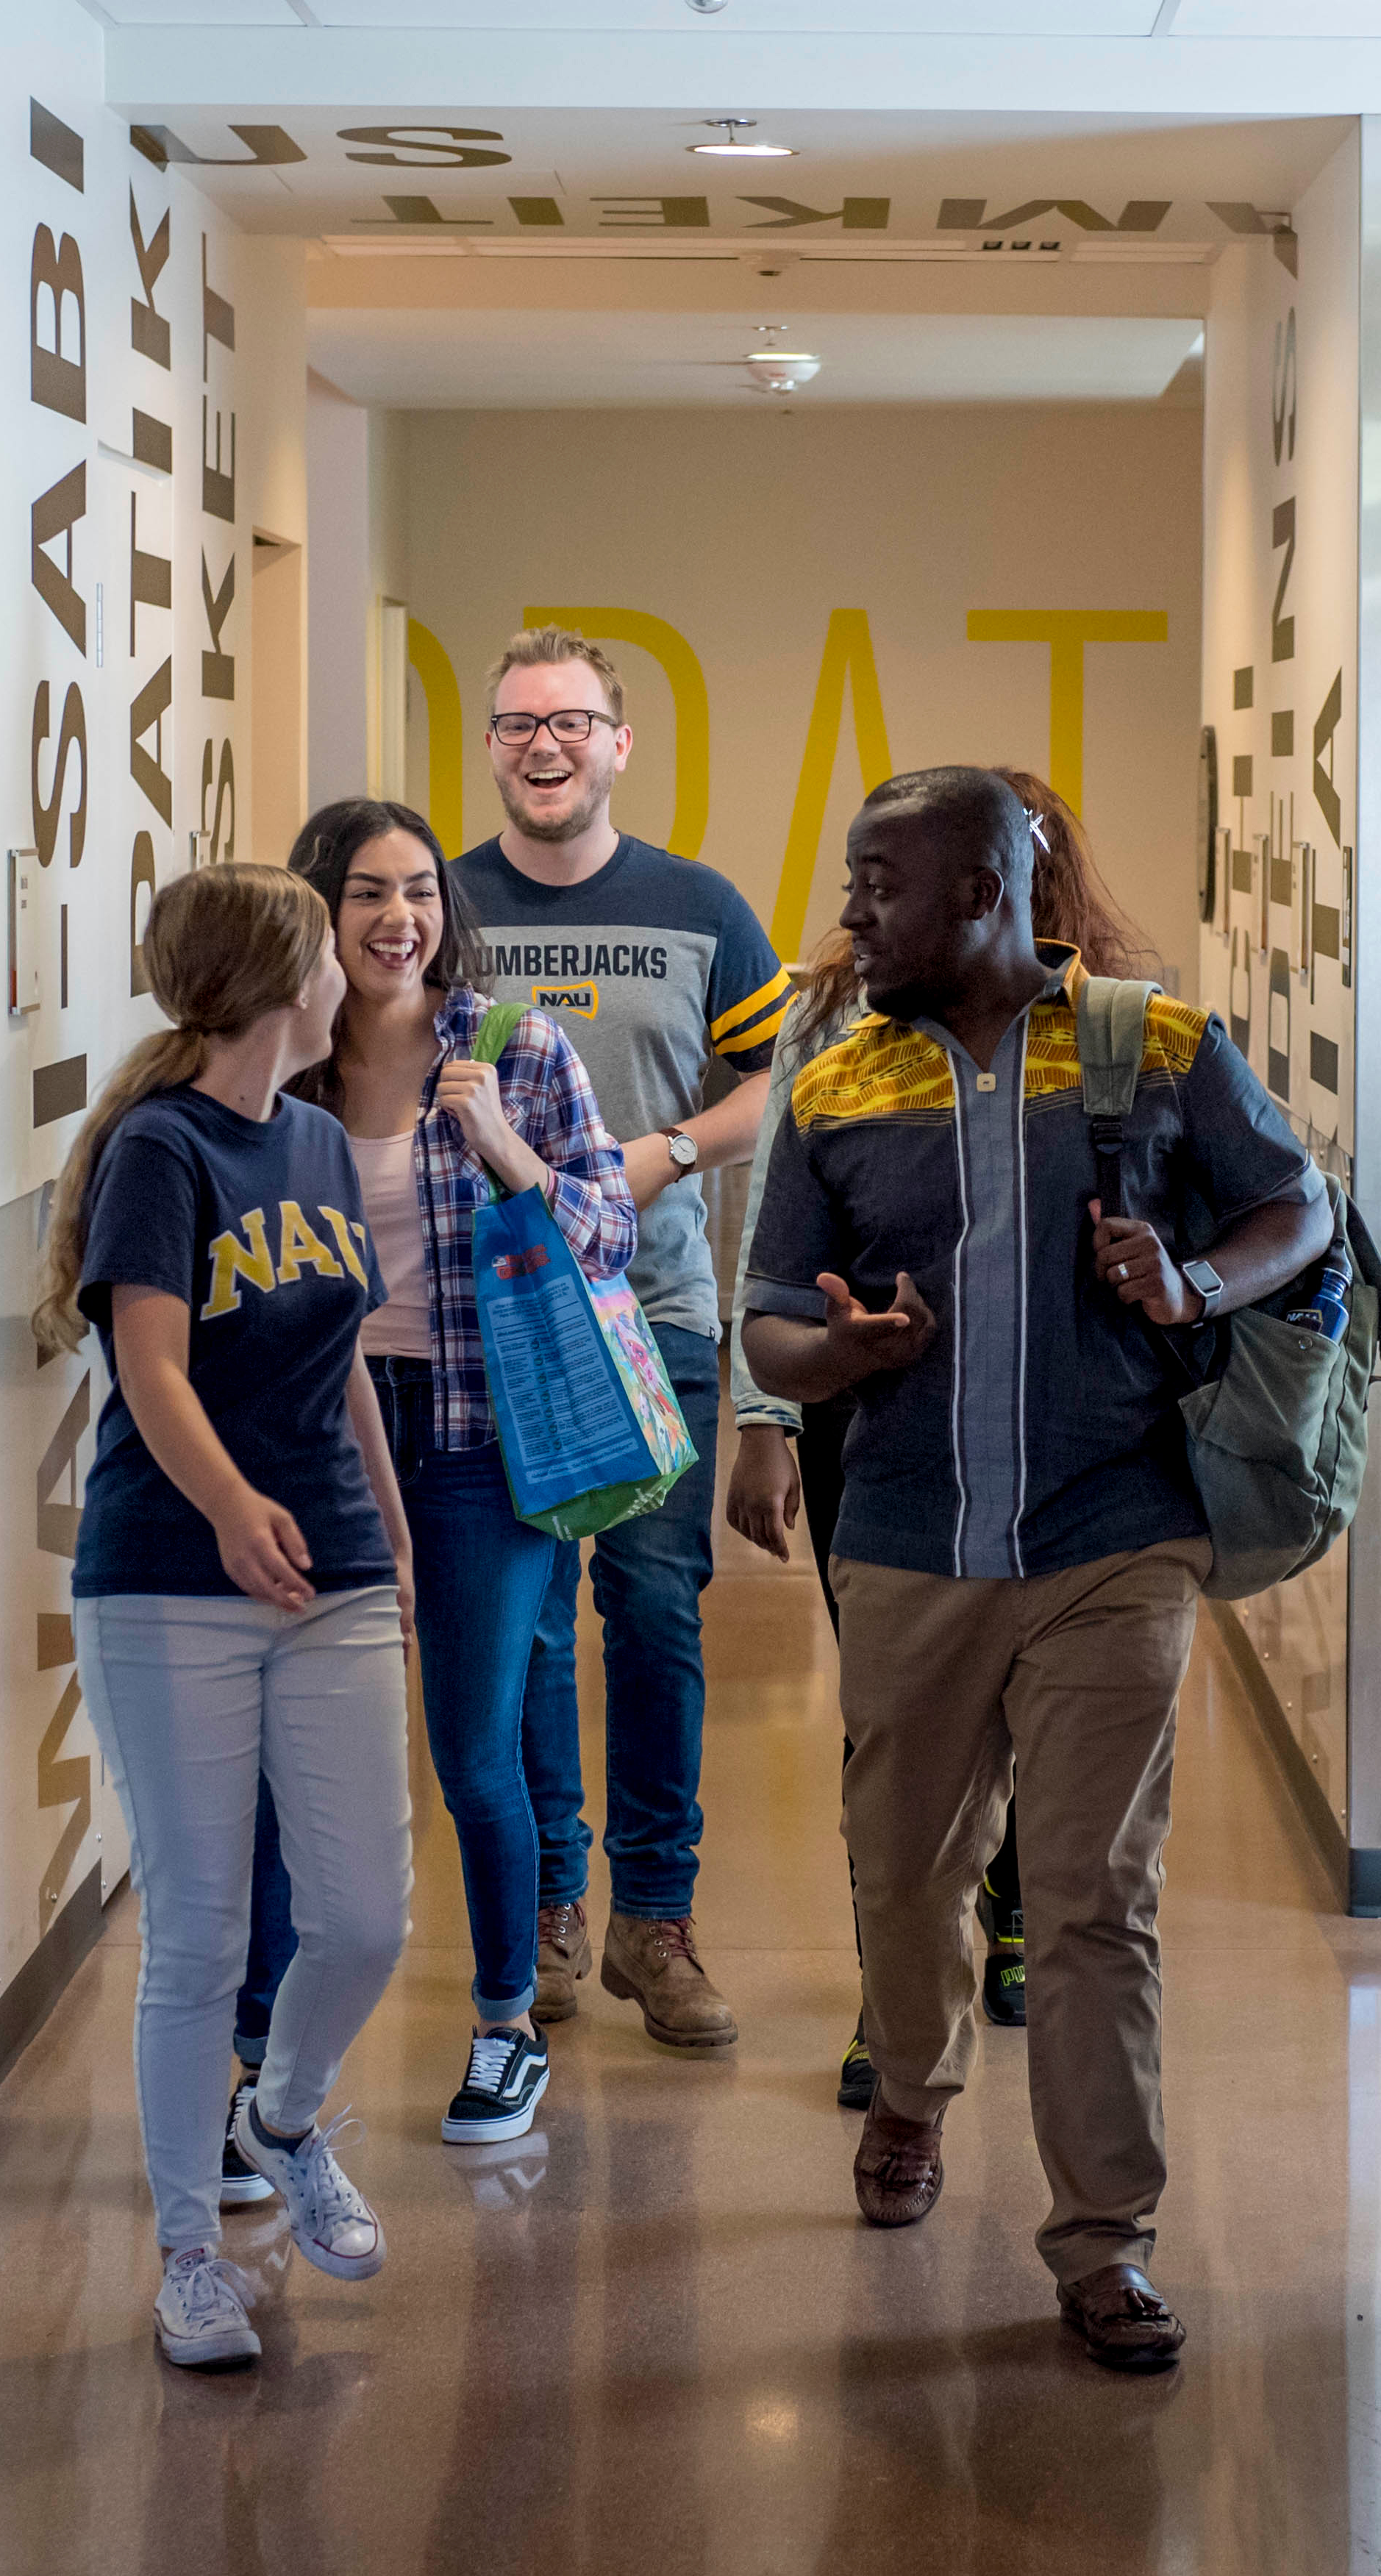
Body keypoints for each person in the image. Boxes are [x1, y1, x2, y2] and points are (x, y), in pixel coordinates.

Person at [742, 766, 1332, 2376]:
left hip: (1111, 1538)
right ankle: (915, 2093)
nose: (852, 912)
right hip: (909, 1543)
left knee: (1090, 1901)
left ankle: (1104, 2240)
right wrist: (837, 1350)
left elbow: (1301, 1204)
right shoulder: (834, 1085)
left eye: (881, 884)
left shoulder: (1155, 1044)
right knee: (911, 1873)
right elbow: (770, 1323)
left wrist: (1194, 1276)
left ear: (985, 895)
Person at [726, 772, 1163, 2110]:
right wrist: (766, 1417)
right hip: (885, 1428)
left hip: (1081, 1454)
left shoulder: (1119, 1025)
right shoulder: (835, 1018)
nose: (866, 907)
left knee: (1057, 1730)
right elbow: (775, 1255)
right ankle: (899, 2001)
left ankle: (1023, 1914)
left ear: (1015, 882)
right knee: (903, 1749)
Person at [39, 862, 418, 2373]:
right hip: (170, 1572)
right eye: (332, 947)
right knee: (198, 1929)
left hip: (329, 1564)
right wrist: (227, 1504)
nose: (353, 968)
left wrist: (379, 1516)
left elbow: (341, 1357)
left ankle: (286, 2108)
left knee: (366, 1913)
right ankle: (191, 2249)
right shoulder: (162, 1144)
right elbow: (151, 1364)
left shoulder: (320, 1137)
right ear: (284, 979)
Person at [454, 628, 788, 2051]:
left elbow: (768, 1089)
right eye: (520, 724)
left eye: (571, 723)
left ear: (619, 743)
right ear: (493, 744)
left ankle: (658, 1920)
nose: (545, 746)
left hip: (650, 1314)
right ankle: (546, 1912)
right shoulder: (440, 899)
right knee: (524, 1630)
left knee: (652, 1614)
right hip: (490, 1327)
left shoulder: (700, 904)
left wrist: (660, 1154)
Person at [282, 796, 635, 2145]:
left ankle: (504, 2026)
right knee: (299, 1750)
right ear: (320, 908)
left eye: (420, 890)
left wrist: (506, 1150)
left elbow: (607, 1233)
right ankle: (265, 2041)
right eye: (366, 892)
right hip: (316, 1436)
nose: (398, 919)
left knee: (473, 1748)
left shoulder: (516, 1046)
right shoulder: (286, 1061)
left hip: (484, 1438)